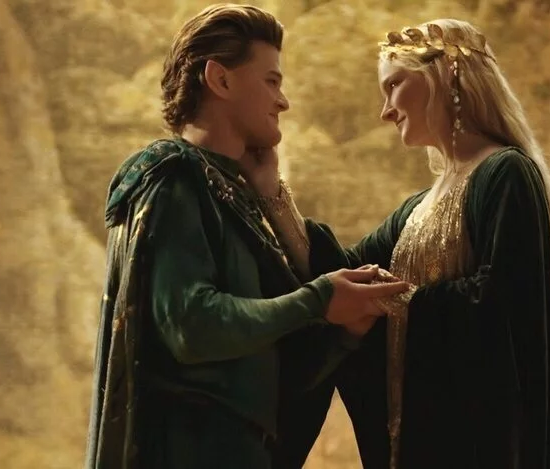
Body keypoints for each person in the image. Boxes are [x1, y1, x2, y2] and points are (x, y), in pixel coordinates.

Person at [245, 18, 550, 469]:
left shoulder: (506, 173)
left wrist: (391, 302)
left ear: (446, 76)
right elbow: (339, 275)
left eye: (394, 85)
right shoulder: (417, 208)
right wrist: (270, 191)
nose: (386, 110)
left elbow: (504, 308)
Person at [83, 4, 409, 469]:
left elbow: (272, 372)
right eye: (271, 81)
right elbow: (190, 325)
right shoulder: (173, 176)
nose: (283, 101)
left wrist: (344, 331)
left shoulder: (235, 196)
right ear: (220, 79)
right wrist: (318, 299)